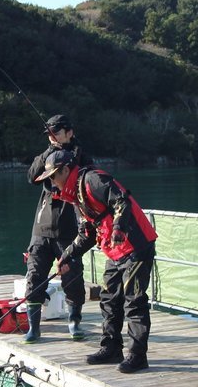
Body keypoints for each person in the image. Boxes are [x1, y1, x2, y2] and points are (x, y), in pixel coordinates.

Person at [35, 150, 157, 373]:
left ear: (65, 170)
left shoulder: (92, 180)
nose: (52, 182)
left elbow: (122, 200)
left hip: (136, 245)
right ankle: (111, 348)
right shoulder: (75, 197)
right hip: (115, 251)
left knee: (134, 301)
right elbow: (87, 233)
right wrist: (68, 255)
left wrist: (119, 228)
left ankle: (138, 356)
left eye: (53, 176)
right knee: (109, 299)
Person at [21, 114, 90, 343]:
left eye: (57, 132)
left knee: (73, 278)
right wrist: (50, 152)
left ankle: (75, 322)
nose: (52, 137)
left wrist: (70, 156)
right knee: (34, 276)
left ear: (69, 132)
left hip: (69, 229)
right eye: (49, 134)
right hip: (41, 228)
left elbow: (90, 181)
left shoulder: (82, 155)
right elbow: (32, 177)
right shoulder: (47, 155)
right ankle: (34, 327)